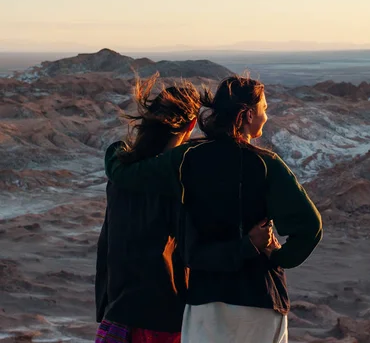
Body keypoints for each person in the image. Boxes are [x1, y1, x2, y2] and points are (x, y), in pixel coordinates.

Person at [103, 75, 323, 343]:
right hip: (260, 298)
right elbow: (310, 227)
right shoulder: (267, 165)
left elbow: (126, 174)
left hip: (204, 303)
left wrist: (114, 153)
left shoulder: (186, 158)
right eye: (264, 109)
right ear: (247, 115)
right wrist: (279, 256)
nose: (266, 117)